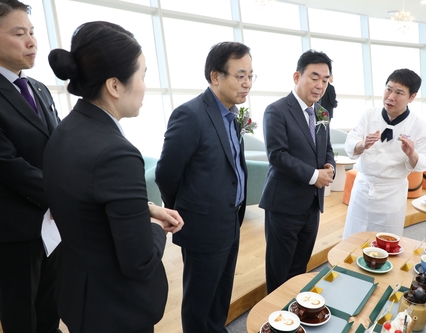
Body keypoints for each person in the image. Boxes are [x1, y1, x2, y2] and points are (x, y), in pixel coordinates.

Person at [43, 21, 184, 333]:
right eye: (143, 75)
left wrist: (144, 207)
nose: (146, 85)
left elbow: (88, 201)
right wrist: (157, 228)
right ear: (115, 85)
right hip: (117, 309)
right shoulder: (116, 153)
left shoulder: (66, 131)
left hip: (79, 294)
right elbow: (139, 261)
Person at [155, 41, 251, 333]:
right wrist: (187, 210)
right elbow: (166, 174)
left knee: (220, 296)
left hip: (231, 220)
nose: (247, 83)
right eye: (240, 75)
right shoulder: (191, 115)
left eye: (251, 76)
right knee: (199, 301)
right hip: (202, 225)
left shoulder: (232, 114)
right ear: (215, 77)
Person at [0, 1, 62, 332]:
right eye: (19, 33)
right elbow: (7, 163)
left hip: (52, 226)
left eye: (33, 32)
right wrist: (60, 194)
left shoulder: (38, 89)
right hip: (14, 230)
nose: (32, 42)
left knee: (50, 308)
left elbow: (60, 147)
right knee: (21, 316)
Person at [259, 50, 336, 294]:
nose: (320, 85)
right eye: (314, 77)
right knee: (279, 270)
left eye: (325, 80)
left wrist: (329, 166)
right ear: (296, 76)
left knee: (299, 269)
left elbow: (327, 148)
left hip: (312, 206)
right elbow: (277, 155)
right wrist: (315, 176)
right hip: (284, 205)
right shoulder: (277, 110)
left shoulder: (322, 112)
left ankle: (293, 316)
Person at [342, 68, 426, 240]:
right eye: (388, 89)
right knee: (353, 236)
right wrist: (363, 144)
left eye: (399, 92)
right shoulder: (369, 115)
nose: (391, 96)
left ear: (412, 97)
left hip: (391, 193)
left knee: (385, 240)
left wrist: (411, 153)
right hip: (363, 187)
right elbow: (350, 143)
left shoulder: (418, 125)